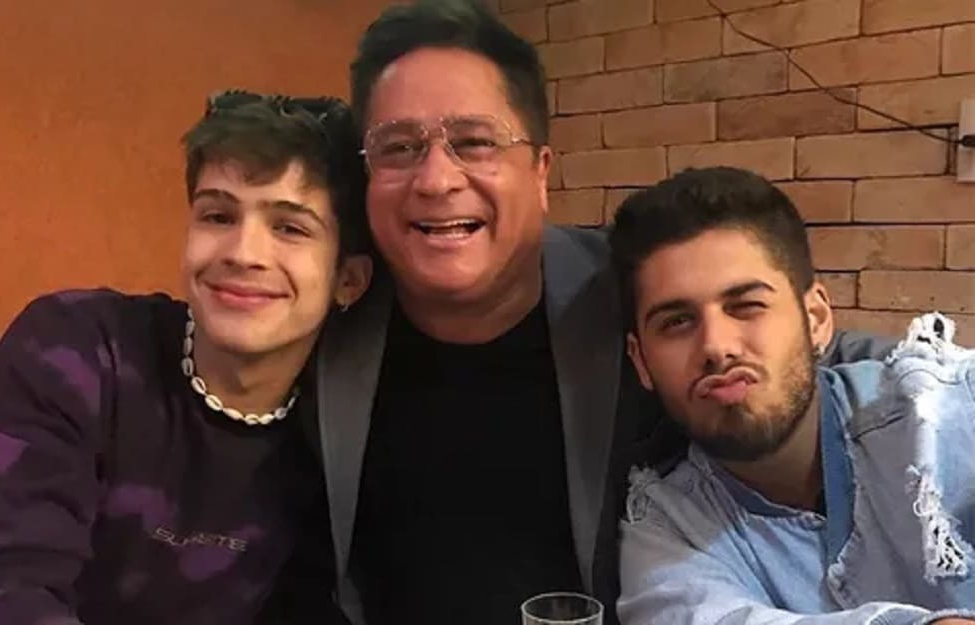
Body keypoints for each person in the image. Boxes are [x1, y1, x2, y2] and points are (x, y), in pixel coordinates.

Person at [309, 2, 895, 624]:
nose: (435, 179)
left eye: (475, 142)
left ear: (540, 171)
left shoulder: (628, 290)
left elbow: (825, 354)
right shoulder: (329, 323)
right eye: (398, 147)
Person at [0, 90, 371, 625]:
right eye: (218, 216)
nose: (243, 253)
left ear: (349, 279)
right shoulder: (80, 349)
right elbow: (1, 586)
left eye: (290, 228)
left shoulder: (334, 451)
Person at [610, 167, 975, 625]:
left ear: (816, 319)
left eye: (747, 306)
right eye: (676, 322)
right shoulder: (667, 530)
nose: (716, 346)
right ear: (641, 361)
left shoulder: (943, 410)